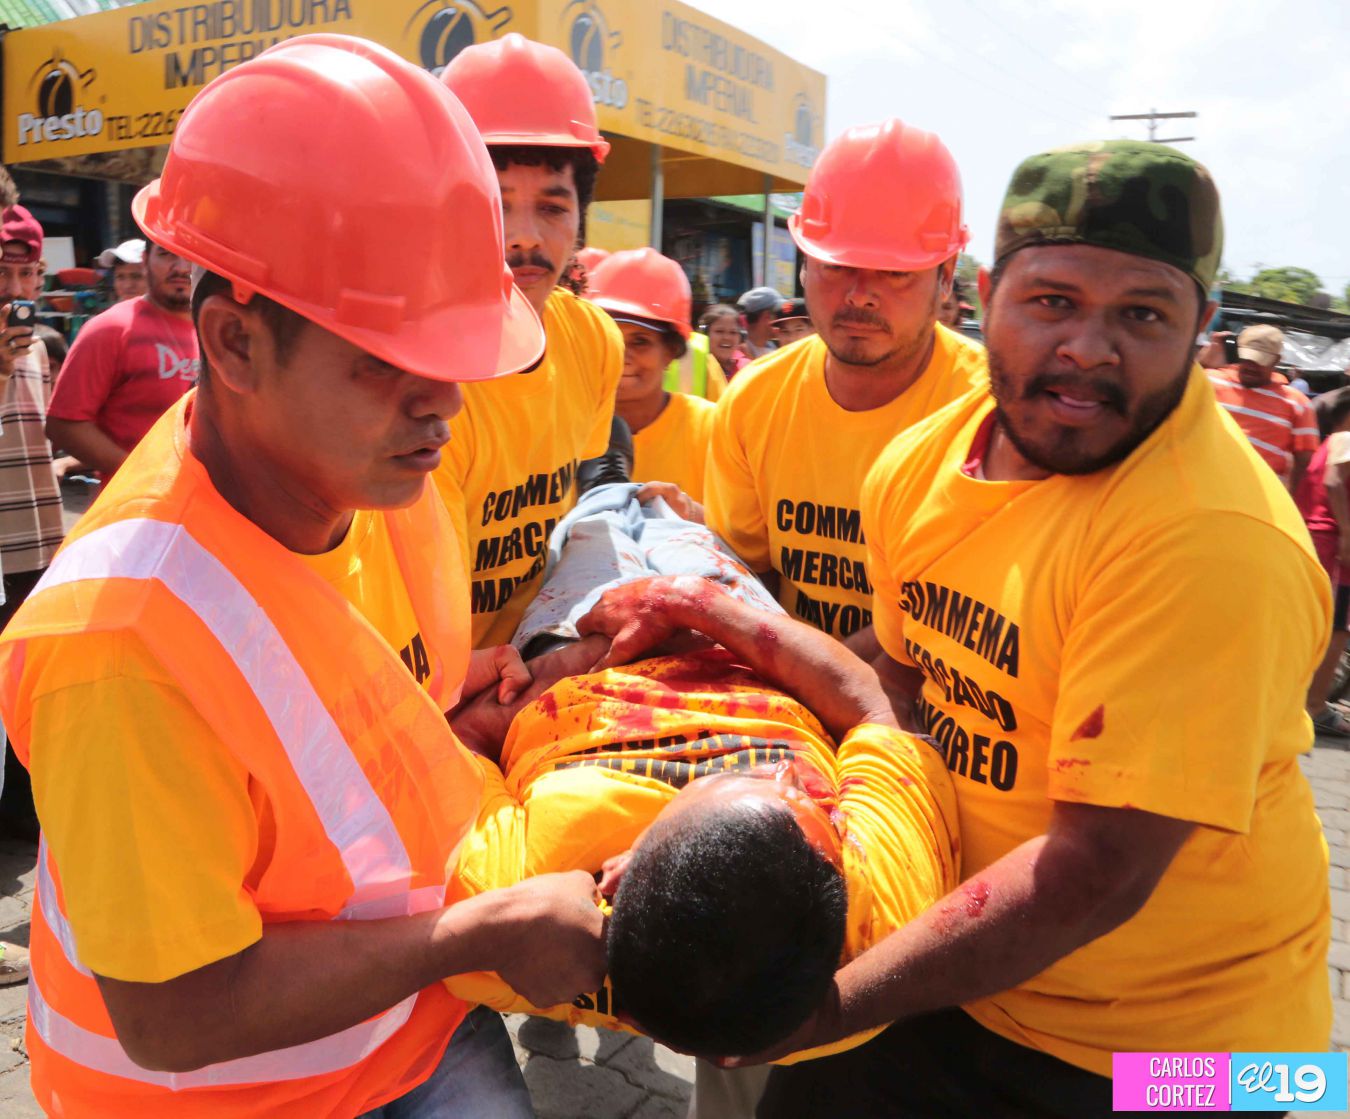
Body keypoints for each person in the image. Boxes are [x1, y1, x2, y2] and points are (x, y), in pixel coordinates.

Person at [0, 36, 608, 1117]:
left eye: (453, 350)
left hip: (407, 1026)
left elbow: (343, 718)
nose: (443, 404)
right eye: (383, 356)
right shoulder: (120, 645)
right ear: (234, 344)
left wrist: (480, 696)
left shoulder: (386, 486)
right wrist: (481, 933)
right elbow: (176, 1011)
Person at [757, 140, 1330, 1118]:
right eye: (1053, 301)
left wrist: (824, 1010)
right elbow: (900, 678)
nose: (1088, 350)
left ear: (1207, 326)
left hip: (1196, 1057)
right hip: (971, 966)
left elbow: (1094, 874)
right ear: (983, 294)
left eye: (1142, 314)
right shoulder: (920, 462)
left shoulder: (1209, 538)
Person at [704, 119, 985, 647]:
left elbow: (952, 619)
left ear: (946, 276)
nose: (860, 295)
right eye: (838, 266)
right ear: (805, 265)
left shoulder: (988, 410)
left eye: (895, 272)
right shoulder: (754, 400)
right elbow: (744, 581)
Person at [436, 34, 624, 648]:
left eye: (551, 207)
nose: (523, 238)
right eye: (495, 204)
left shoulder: (593, 341)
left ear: (581, 217)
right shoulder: (415, 373)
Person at [0, 204, 65, 844]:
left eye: (31, 276)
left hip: (38, 542)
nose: (19, 291)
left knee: (31, 684)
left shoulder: (40, 346)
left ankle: (24, 811)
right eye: (6, 274)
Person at [46, 240, 200, 478]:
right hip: (135, 508)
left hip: (207, 505)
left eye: (191, 256)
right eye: (166, 254)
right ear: (146, 260)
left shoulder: (218, 332)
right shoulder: (109, 328)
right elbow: (64, 424)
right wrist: (141, 477)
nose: (181, 267)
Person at [589, 248, 716, 501]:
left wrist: (691, 515)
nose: (622, 355)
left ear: (670, 351)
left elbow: (747, 530)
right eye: (610, 339)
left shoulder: (713, 430)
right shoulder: (566, 427)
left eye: (640, 342)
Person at [1295, 386, 1350, 737]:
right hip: (1332, 545)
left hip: (1318, 539)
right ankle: (1313, 705)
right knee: (1336, 628)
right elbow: (1334, 483)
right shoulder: (1346, 439)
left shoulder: (1332, 440)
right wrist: (1347, 533)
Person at [1207, 323, 1318, 491]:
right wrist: (1208, 355)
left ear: (1276, 360)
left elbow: (1304, 461)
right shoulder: (1210, 381)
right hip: (1204, 487)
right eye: (1247, 358)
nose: (1251, 366)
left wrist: (1289, 501)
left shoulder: (1297, 403)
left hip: (1260, 497)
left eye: (1260, 360)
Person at [700, 303, 749, 380]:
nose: (726, 337)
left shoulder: (748, 369)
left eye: (733, 332)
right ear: (705, 334)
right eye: (719, 331)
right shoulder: (694, 367)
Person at [736, 286, 782, 358]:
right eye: (779, 314)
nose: (782, 319)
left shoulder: (772, 347)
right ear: (766, 316)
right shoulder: (739, 354)